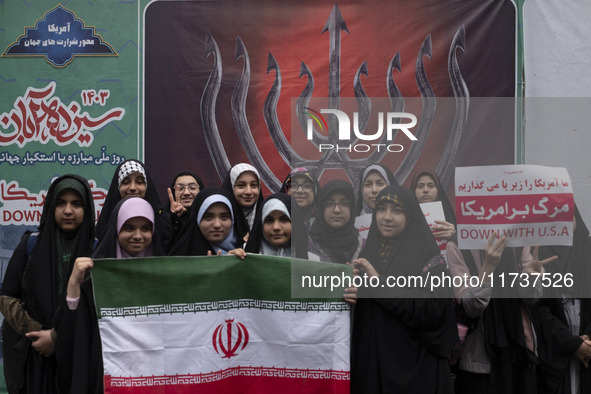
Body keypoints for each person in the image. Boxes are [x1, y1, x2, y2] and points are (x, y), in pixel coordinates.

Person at [350, 184, 458, 393]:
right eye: (381, 209)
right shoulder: (368, 256)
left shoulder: (429, 257)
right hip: (374, 367)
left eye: (397, 211)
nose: (387, 217)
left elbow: (433, 309)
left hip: (417, 371)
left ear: (409, 216)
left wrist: (379, 284)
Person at [0, 175, 95, 394]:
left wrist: (57, 337)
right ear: (51, 206)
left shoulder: (96, 250)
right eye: (61, 203)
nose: (68, 210)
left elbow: (101, 308)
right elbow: (7, 297)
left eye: (76, 203)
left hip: (79, 354)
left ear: (87, 209)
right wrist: (39, 333)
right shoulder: (31, 244)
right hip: (36, 355)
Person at [55, 197, 160, 393]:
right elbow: (72, 335)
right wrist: (74, 284)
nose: (138, 236)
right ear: (116, 229)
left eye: (145, 228)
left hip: (154, 377)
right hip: (107, 378)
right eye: (128, 228)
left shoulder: (166, 276)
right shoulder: (95, 278)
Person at [446, 234, 556, 394]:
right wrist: (488, 268)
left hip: (518, 348)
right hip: (481, 357)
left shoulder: (518, 242)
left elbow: (531, 298)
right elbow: (470, 307)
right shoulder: (458, 245)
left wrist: (530, 279)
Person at [533, 206, 591, 394]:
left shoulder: (587, 252)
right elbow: (538, 309)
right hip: (555, 354)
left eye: (568, 215)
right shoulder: (539, 255)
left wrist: (587, 341)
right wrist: (571, 344)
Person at [95, 159, 168, 245]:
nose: (133, 188)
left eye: (139, 182)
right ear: (118, 187)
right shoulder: (105, 224)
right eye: (126, 182)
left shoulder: (162, 221)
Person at [168, 188, 248, 256]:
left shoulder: (249, 250)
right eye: (208, 217)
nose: (217, 225)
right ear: (197, 219)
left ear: (233, 220)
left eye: (224, 217)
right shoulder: (181, 256)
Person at [308, 179, 362, 264]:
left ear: (352, 208)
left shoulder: (363, 244)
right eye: (329, 203)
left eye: (344, 203)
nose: (337, 210)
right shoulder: (308, 244)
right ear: (321, 208)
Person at [245, 193, 308, 259]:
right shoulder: (244, 255)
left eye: (284, 219)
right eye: (269, 220)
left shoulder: (313, 261)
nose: (276, 227)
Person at [410, 169, 457, 241]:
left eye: (431, 186)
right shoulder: (406, 218)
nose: (425, 190)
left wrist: (453, 236)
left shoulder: (448, 219)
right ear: (413, 190)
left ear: (438, 190)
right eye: (420, 186)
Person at [221, 163, 264, 233]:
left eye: (253, 185)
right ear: (231, 187)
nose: (248, 192)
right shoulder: (219, 222)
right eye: (241, 185)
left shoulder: (267, 219)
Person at [166, 171, 205, 245]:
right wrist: (176, 219)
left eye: (192, 188)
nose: (186, 193)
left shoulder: (208, 219)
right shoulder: (164, 220)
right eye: (180, 188)